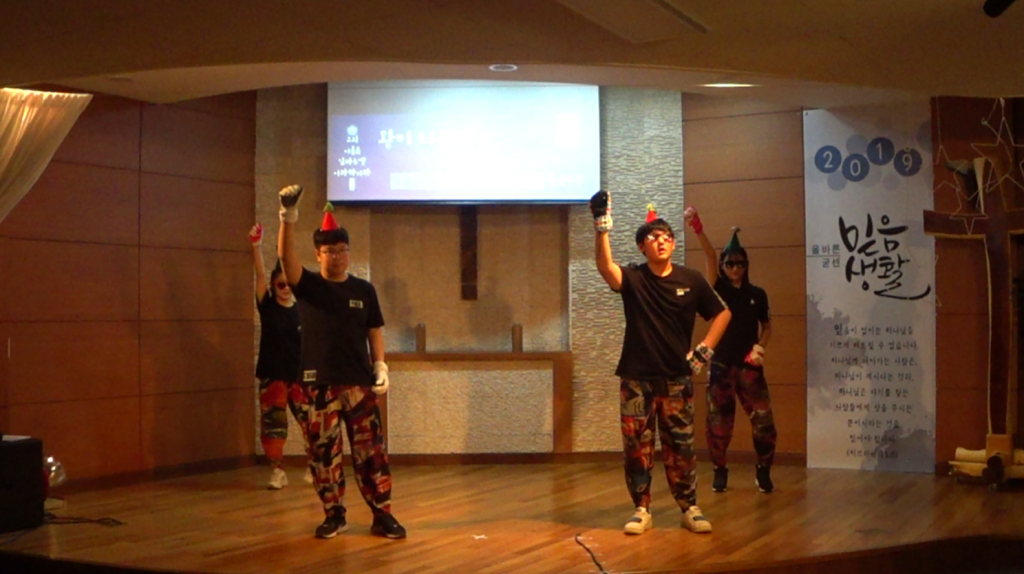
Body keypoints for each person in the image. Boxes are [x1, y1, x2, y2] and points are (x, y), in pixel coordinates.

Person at [590, 191, 731, 536]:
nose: (661, 241)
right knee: (636, 446)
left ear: (673, 244)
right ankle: (641, 508)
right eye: (653, 237)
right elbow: (606, 268)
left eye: (667, 236)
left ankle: (689, 507)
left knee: (681, 446)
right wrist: (601, 227)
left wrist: (703, 351)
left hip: (676, 378)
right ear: (642, 247)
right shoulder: (634, 278)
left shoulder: (690, 279)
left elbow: (723, 313)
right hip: (636, 378)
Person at [276, 185, 406, 540]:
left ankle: (382, 514)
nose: (338, 256)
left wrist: (380, 366)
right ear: (318, 254)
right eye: (330, 251)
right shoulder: (308, 285)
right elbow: (286, 259)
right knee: (323, 454)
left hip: (359, 384)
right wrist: (288, 216)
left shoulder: (364, 290)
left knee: (371, 452)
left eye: (342, 249)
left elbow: (374, 330)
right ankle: (334, 514)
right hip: (318, 385)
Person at [684, 206, 777, 494]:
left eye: (739, 264)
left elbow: (767, 326)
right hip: (722, 365)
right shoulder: (717, 289)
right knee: (719, 423)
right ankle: (719, 469)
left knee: (763, 420)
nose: (734, 268)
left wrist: (760, 347)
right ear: (724, 266)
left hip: (750, 366)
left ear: (746, 265)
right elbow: (710, 257)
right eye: (730, 264)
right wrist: (698, 228)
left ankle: (763, 471)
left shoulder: (757, 294)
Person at [249, 223, 304, 490]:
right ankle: (277, 471)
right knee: (274, 427)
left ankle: (315, 466)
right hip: (273, 376)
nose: (285, 287)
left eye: (288, 283)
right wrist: (256, 246)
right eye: (280, 284)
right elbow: (260, 274)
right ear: (273, 285)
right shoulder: (268, 307)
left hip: (300, 376)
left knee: (312, 423)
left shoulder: (303, 309)